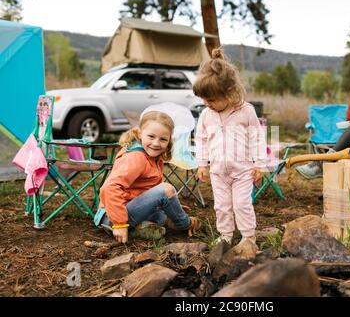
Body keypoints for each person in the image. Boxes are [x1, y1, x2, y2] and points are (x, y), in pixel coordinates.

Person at [194, 48, 268, 248]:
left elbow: (257, 138)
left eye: (211, 100)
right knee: (222, 206)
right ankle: (226, 235)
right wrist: (202, 163)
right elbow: (201, 139)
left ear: (229, 92)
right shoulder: (206, 115)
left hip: (242, 170)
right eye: (204, 99)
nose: (206, 104)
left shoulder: (246, 111)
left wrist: (260, 164)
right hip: (218, 171)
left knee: (242, 204)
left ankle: (248, 237)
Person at [94, 111, 201, 243]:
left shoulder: (154, 156)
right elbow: (110, 187)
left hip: (128, 210)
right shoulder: (136, 157)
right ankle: (185, 224)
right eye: (151, 136)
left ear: (169, 141)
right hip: (112, 218)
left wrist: (171, 205)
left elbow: (147, 188)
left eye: (163, 139)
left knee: (162, 213)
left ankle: (141, 229)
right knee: (167, 189)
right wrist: (119, 224)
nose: (156, 143)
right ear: (140, 134)